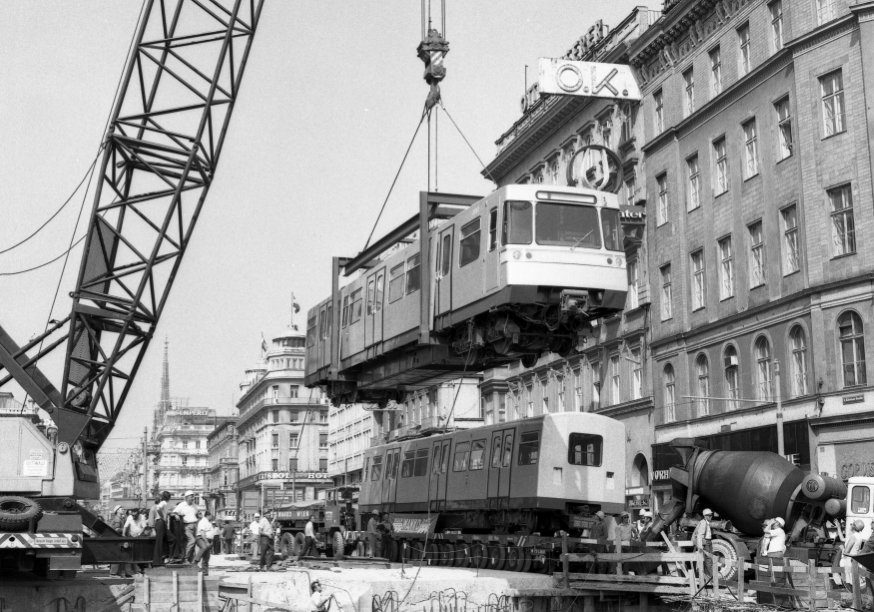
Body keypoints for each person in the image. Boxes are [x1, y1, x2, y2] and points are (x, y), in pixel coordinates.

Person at [173, 491, 200, 563]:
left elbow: (197, 514)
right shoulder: (182, 505)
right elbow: (174, 512)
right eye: (191, 496)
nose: (193, 498)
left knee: (193, 544)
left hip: (194, 525)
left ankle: (191, 560)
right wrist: (176, 515)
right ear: (186, 498)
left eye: (193, 496)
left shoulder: (194, 506)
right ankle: (185, 558)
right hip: (187, 526)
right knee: (192, 541)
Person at [841, 519, 866, 590]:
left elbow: (846, 551)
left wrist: (842, 548)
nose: (851, 525)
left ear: (854, 527)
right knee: (855, 581)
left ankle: (854, 599)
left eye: (852, 524)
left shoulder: (853, 537)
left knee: (850, 582)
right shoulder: (859, 536)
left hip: (848, 560)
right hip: (854, 560)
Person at [148, 491, 171, 566]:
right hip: (159, 525)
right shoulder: (154, 508)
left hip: (163, 525)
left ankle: (164, 558)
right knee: (159, 543)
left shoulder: (163, 506)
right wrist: (153, 529)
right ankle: (157, 561)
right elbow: (151, 519)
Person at [692, 509, 714, 579]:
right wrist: (700, 546)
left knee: (709, 560)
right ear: (705, 516)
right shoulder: (703, 523)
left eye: (711, 515)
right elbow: (699, 535)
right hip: (705, 543)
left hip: (708, 542)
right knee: (708, 560)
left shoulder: (707, 523)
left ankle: (708, 577)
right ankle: (710, 577)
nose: (711, 517)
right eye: (709, 515)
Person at [193, 511, 215, 575]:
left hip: (208, 539)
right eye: (211, 515)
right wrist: (206, 542)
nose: (211, 517)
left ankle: (205, 572)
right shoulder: (203, 521)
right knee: (204, 547)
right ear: (208, 515)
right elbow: (202, 533)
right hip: (201, 538)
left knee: (206, 557)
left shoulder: (208, 522)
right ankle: (195, 561)